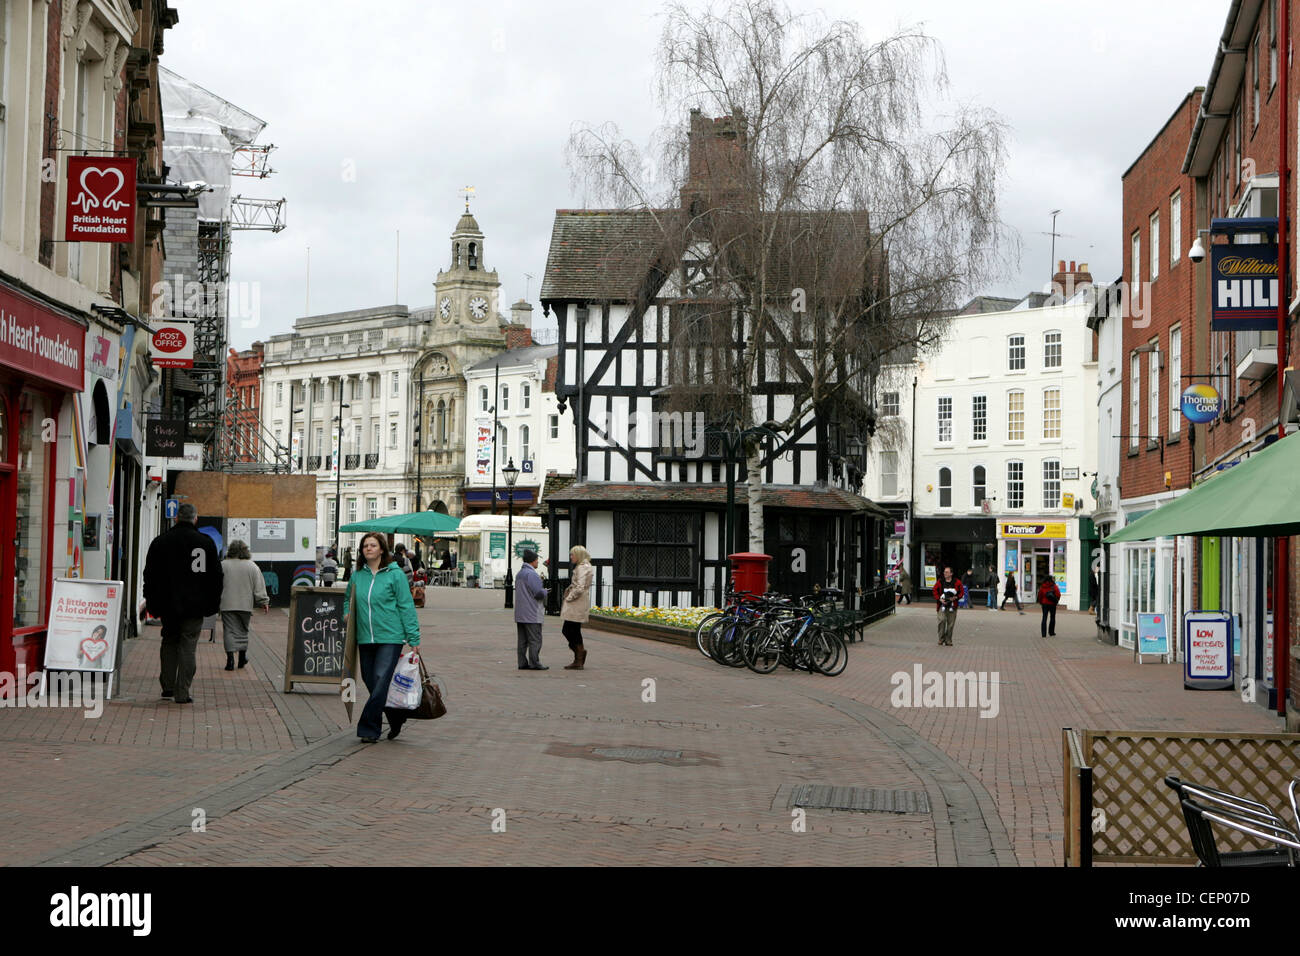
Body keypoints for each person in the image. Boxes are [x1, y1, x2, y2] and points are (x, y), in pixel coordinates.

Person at [343, 532, 422, 742]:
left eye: (373, 545)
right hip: (365, 636)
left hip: (390, 636)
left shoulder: (394, 574)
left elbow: (406, 605)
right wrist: (346, 613)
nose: (368, 549)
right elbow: (347, 599)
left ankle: (369, 729)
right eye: (365, 546)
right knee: (371, 682)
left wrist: (413, 638)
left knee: (380, 680)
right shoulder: (357, 575)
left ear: (381, 550)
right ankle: (396, 717)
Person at [143, 503, 223, 704]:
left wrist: (151, 602)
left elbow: (150, 576)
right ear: (195, 519)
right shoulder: (206, 543)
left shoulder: (160, 542)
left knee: (169, 641)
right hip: (195, 605)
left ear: (176, 518)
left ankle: (167, 687)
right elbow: (216, 577)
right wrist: (212, 604)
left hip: (168, 604)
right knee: (188, 645)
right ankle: (182, 691)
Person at [220, 540, 269, 670]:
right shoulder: (252, 566)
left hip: (227, 604)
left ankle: (230, 660)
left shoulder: (223, 565)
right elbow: (259, 586)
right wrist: (263, 602)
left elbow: (216, 586)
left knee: (229, 631)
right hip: (245, 605)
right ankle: (242, 657)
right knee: (243, 631)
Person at [560, 545, 594, 670]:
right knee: (573, 629)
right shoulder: (584, 566)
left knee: (569, 630)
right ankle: (578, 657)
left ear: (578, 555)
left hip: (577, 603)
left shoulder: (582, 568)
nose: (570, 557)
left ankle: (579, 656)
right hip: (579, 602)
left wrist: (569, 598)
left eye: (572, 555)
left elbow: (579, 587)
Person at [515, 549, 549, 670]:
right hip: (532, 613)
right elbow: (538, 593)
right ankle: (534, 662)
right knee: (535, 639)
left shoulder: (520, 574)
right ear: (533, 560)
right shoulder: (532, 574)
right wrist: (545, 591)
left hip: (520, 613)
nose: (538, 562)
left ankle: (522, 662)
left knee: (522, 640)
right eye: (536, 560)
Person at [933, 566, 963, 646]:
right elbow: (934, 590)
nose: (945, 573)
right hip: (941, 605)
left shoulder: (957, 582)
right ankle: (941, 638)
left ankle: (948, 640)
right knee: (942, 620)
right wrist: (939, 599)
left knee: (950, 624)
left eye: (947, 572)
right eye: (944, 572)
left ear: (951, 573)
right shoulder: (940, 581)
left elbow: (961, 592)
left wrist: (956, 597)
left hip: (952, 606)